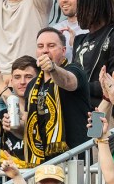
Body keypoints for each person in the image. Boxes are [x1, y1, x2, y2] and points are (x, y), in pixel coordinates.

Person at [24, 27, 90, 163]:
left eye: (51, 46)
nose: (45, 50)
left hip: (74, 158)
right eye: (40, 46)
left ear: (64, 51)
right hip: (42, 161)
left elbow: (67, 81)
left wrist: (53, 68)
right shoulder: (32, 85)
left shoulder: (75, 70)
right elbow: (29, 123)